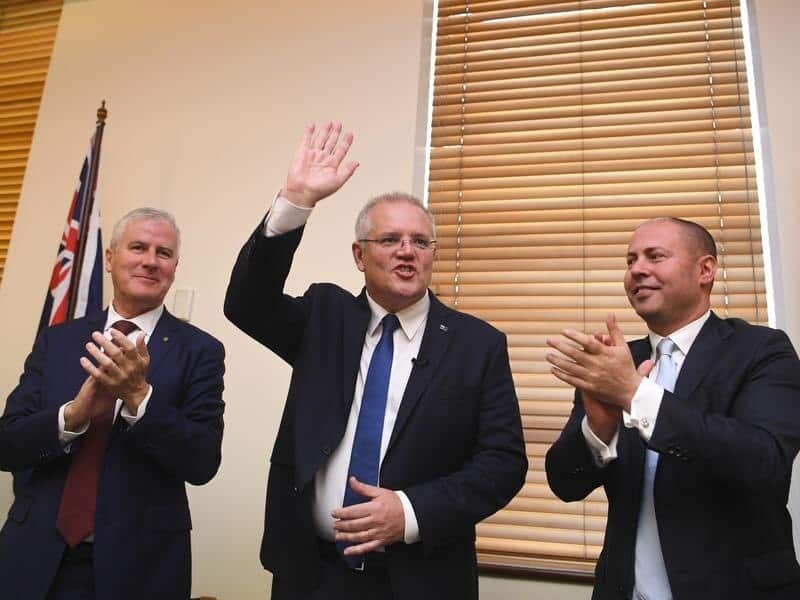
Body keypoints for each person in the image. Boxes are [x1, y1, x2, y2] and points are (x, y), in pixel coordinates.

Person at [224, 121, 527, 599]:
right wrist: (296, 201)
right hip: (311, 575)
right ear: (359, 256)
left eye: (420, 242)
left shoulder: (477, 345)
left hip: (421, 579)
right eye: (389, 240)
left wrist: (409, 512)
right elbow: (246, 304)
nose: (407, 252)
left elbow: (502, 464)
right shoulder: (324, 318)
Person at [545, 217, 800, 599]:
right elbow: (565, 483)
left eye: (655, 256)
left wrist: (636, 395)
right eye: (630, 260)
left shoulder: (762, 350)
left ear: (705, 270)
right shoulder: (618, 361)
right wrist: (599, 429)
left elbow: (764, 461)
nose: (637, 270)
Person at [0, 207, 226, 600]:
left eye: (164, 253)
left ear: (174, 267)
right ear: (110, 258)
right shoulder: (58, 340)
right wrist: (72, 416)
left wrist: (140, 398)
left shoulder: (200, 350)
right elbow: (7, 445)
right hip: (32, 555)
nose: (150, 261)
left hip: (140, 567)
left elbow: (203, 461)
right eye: (138, 247)